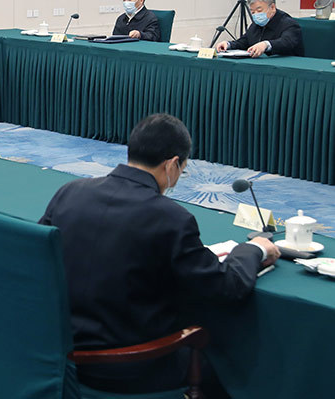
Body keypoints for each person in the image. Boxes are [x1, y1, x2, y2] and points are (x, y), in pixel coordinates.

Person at [39, 113, 279, 397]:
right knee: (222, 369)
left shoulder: (69, 193)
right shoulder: (172, 218)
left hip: (60, 356)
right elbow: (226, 287)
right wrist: (254, 249)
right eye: (183, 170)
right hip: (130, 366)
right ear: (173, 164)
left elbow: (38, 260)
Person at [215, 0, 304, 57]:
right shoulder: (256, 24)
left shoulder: (289, 23)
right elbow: (245, 41)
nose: (256, 15)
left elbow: (286, 42)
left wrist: (265, 45)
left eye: (259, 10)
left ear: (272, 7)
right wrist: (229, 44)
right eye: (253, 12)